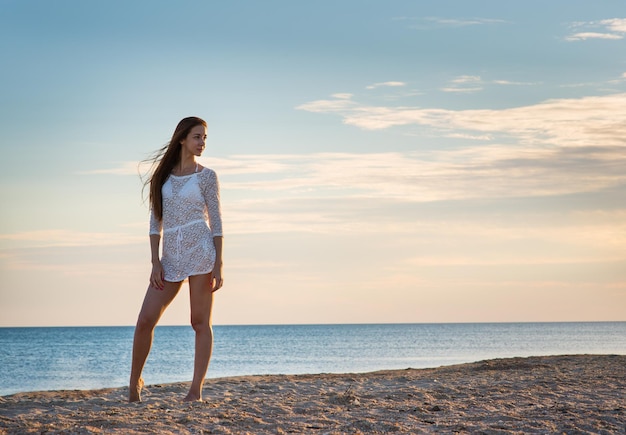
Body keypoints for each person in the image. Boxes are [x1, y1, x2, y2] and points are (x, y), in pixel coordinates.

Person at [129, 116, 223, 402]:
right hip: (170, 256)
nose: (202, 143)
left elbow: (216, 222)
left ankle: (195, 391)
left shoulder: (207, 176)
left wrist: (218, 263)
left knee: (199, 322)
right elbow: (154, 222)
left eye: (205, 138)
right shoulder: (163, 176)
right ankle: (134, 385)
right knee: (145, 319)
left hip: (201, 253)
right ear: (182, 138)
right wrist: (155, 261)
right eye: (197, 137)